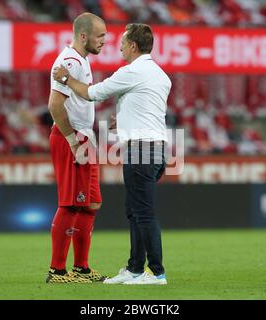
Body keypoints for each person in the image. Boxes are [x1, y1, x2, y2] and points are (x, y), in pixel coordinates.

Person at [53, 23, 171, 285]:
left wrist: (66, 78)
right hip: (158, 148)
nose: (117, 46)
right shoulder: (160, 75)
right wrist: (125, 119)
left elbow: (91, 94)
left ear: (132, 46)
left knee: (144, 213)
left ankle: (157, 272)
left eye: (122, 42)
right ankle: (135, 269)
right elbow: (147, 107)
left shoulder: (131, 72)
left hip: (141, 150)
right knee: (135, 211)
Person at [46, 12, 107, 284]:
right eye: (100, 36)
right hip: (72, 138)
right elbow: (54, 105)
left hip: (84, 137)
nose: (104, 41)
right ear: (84, 36)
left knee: (91, 202)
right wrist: (72, 139)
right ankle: (57, 270)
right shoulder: (70, 62)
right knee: (71, 203)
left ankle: (81, 267)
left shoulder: (80, 60)